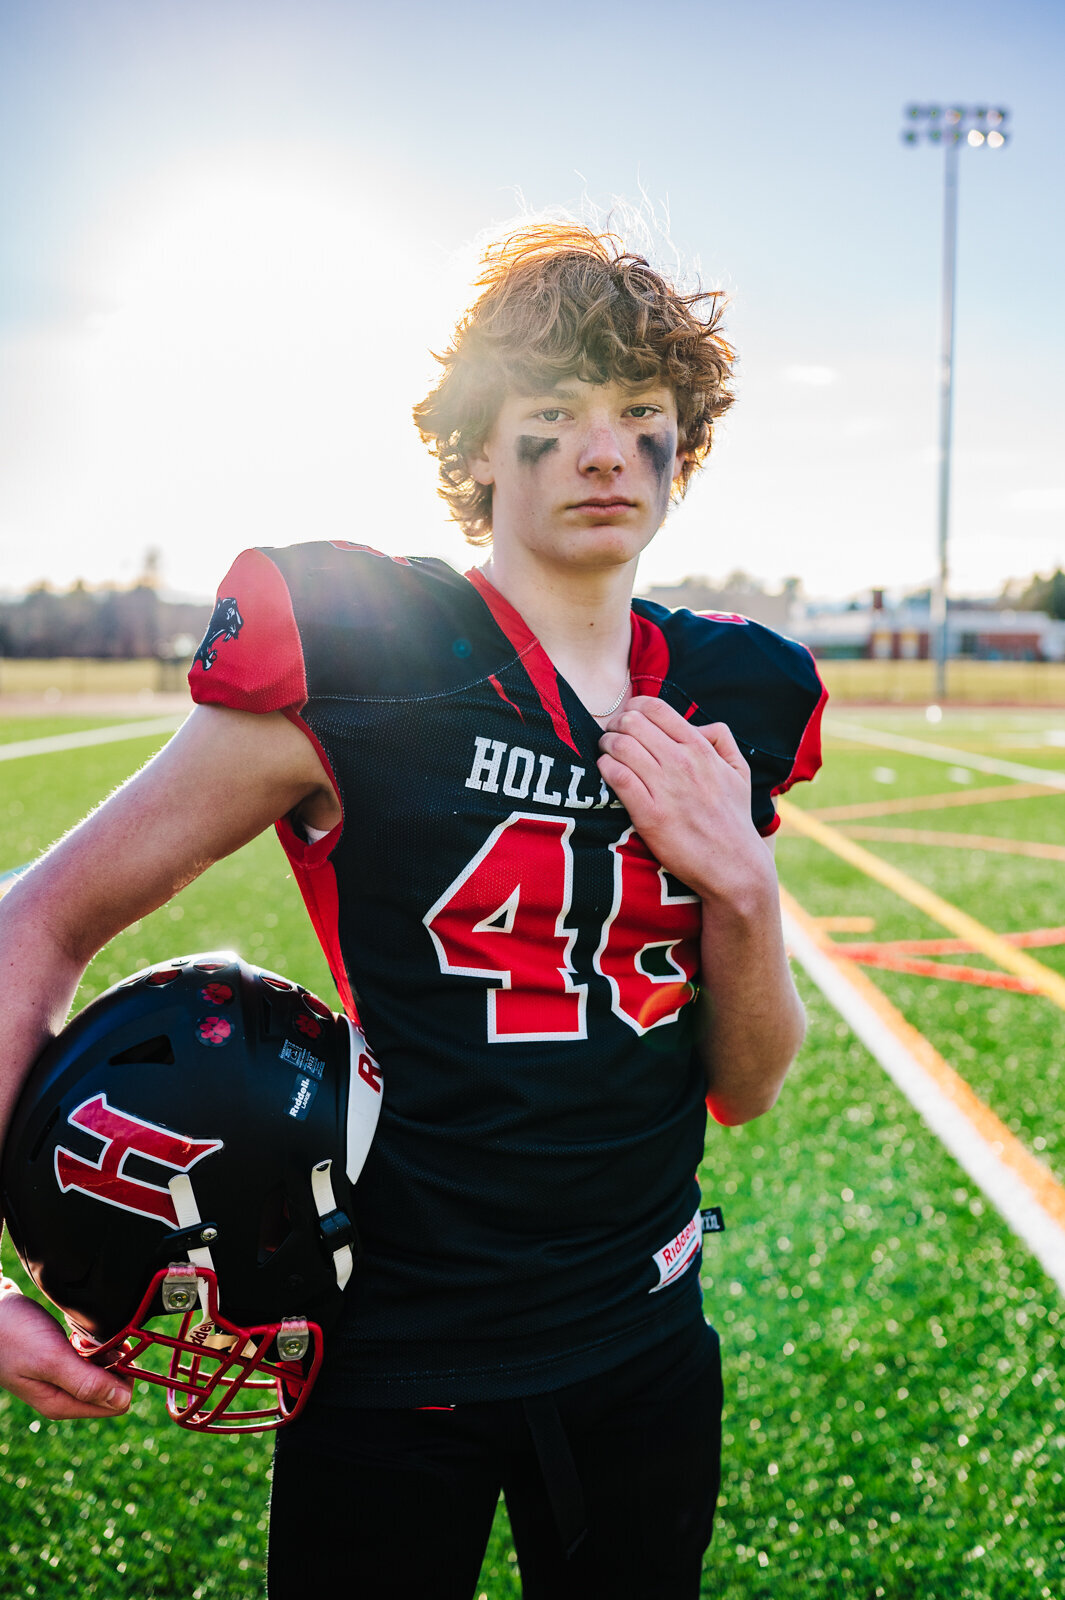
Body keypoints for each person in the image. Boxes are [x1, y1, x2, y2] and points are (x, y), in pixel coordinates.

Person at [0, 221, 825, 1597]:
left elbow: (743, 1083)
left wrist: (737, 885)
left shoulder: (738, 695)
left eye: (641, 415)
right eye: (551, 417)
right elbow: (38, 921)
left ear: (685, 446)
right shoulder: (364, 653)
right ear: (477, 452)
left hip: (643, 1342)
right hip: (386, 1358)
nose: (604, 450)